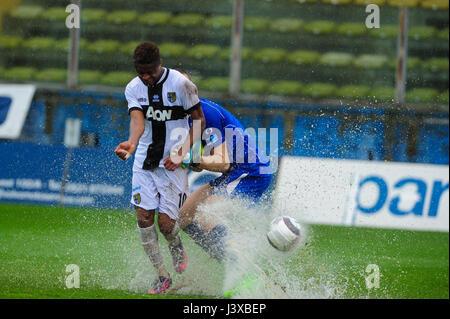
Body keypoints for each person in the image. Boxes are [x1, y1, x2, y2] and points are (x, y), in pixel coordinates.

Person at [114, 42, 205, 294]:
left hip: (173, 164)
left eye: (150, 73)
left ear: (159, 64)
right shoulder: (133, 88)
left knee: (166, 224)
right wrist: (131, 143)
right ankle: (162, 275)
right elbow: (137, 120)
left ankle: (176, 246)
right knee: (144, 217)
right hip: (144, 161)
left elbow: (198, 120)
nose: (146, 78)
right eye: (141, 73)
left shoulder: (182, 84)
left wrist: (181, 152)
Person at [176, 71, 275, 264]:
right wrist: (192, 161)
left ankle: (238, 265)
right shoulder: (182, 117)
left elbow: (223, 162)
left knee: (208, 214)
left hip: (250, 173)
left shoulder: (205, 114)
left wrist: (192, 159)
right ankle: (226, 257)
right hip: (234, 173)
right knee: (183, 216)